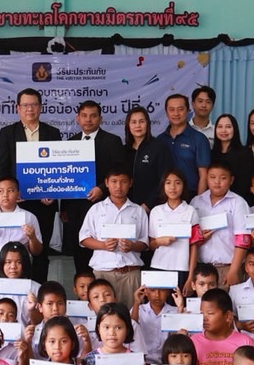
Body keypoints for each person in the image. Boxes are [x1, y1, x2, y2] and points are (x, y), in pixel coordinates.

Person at [0, 87, 62, 280]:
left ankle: (38, 292)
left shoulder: (53, 133)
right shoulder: (7, 133)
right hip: (17, 204)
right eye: (25, 105)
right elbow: (2, 168)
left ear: (40, 107)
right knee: (13, 251)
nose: (29, 109)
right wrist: (11, 194)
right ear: (18, 108)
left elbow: (59, 169)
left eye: (33, 104)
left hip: (44, 204)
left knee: (40, 251)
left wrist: (53, 192)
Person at [61, 101, 128, 275]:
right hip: (76, 207)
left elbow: (119, 173)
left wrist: (102, 189)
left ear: (100, 118)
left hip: (104, 204)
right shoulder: (71, 142)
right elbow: (66, 175)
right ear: (78, 118)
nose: (88, 120)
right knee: (80, 248)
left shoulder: (112, 141)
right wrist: (64, 208)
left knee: (103, 247)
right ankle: (84, 290)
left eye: (93, 116)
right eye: (84, 116)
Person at [79, 166, 149, 308]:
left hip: (130, 273)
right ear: (106, 183)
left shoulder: (138, 211)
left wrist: (132, 246)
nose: (118, 186)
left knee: (132, 317)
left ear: (130, 183)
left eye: (123, 182)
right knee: (103, 316)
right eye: (114, 181)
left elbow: (145, 242)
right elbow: (84, 238)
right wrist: (103, 245)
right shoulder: (96, 209)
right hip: (103, 273)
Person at [192, 162, 249, 286]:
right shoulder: (196, 202)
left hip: (227, 268)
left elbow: (242, 240)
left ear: (231, 180)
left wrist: (233, 271)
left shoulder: (238, 203)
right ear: (206, 178)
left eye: (223, 178)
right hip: (202, 269)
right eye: (212, 177)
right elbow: (191, 239)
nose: (217, 182)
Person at [157, 92, 209, 197]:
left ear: (188, 111)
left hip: (191, 196)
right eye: (171, 109)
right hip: (165, 197)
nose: (176, 113)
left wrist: (199, 202)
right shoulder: (160, 140)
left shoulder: (199, 139)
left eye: (180, 109)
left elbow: (204, 175)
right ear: (166, 113)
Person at [123, 105, 172, 210]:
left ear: (148, 124)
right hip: (126, 208)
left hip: (153, 208)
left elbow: (164, 180)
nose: (138, 125)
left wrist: (148, 204)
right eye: (133, 122)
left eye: (141, 121)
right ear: (128, 125)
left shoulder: (159, 147)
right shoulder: (123, 150)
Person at [211, 114, 254, 201]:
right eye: (220, 127)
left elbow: (245, 183)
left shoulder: (245, 153)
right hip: (215, 202)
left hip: (238, 201)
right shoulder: (211, 154)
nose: (223, 130)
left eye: (228, 127)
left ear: (235, 129)